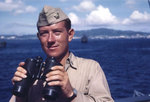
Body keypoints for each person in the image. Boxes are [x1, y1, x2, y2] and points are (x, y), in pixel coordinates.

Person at [9, 5, 114, 102]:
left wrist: (71, 93)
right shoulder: (32, 72)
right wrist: (21, 95)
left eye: (57, 32)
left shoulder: (90, 68)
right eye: (44, 33)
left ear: (70, 35)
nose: (50, 39)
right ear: (39, 37)